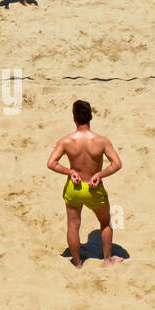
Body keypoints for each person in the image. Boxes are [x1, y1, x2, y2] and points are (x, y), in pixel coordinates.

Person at [46, 99, 123, 268]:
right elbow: (117, 164)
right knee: (104, 223)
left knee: (73, 225)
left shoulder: (66, 141)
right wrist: (100, 174)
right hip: (93, 187)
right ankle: (107, 260)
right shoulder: (102, 141)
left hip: (74, 187)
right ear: (90, 117)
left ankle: (78, 262)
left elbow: (51, 163)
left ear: (74, 118)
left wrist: (70, 171)